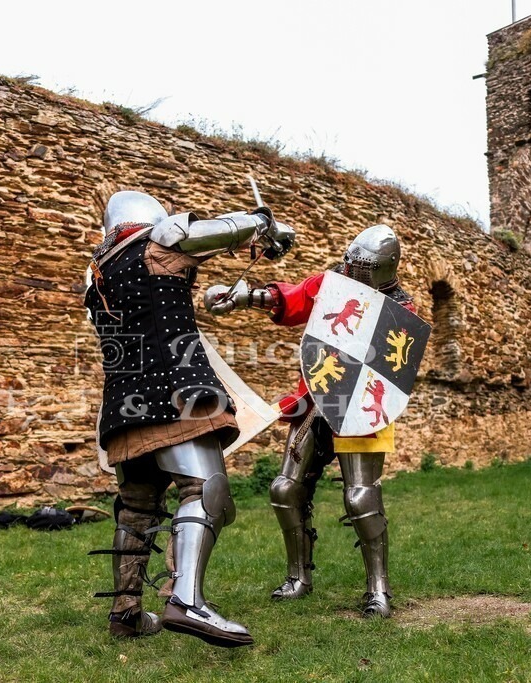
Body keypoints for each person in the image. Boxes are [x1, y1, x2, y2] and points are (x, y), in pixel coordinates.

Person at [85, 190, 294, 647]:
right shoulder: (159, 239)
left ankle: (126, 613)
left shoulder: (97, 272)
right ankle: (186, 600)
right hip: (175, 393)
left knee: (136, 511)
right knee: (206, 491)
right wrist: (262, 222)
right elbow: (207, 232)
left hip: (124, 405)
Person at [203, 224, 412, 618]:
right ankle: (299, 577)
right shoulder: (332, 284)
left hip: (360, 410)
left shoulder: (400, 309)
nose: (353, 271)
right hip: (314, 399)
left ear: (383, 268)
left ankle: (378, 589)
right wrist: (242, 298)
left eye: (362, 268)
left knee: (360, 496)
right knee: (284, 490)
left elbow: (389, 364)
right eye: (351, 263)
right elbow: (294, 299)